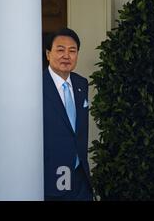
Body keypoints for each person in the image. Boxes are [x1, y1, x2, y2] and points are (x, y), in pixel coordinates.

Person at [43, 28, 93, 201]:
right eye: (60, 50)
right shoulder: (36, 85)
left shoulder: (81, 84)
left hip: (80, 177)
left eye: (72, 51)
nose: (66, 55)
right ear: (48, 54)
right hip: (50, 178)